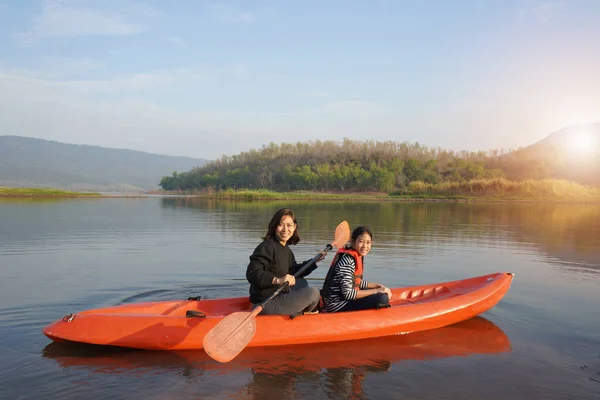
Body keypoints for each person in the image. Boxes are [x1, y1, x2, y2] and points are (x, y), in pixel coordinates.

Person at [245, 208, 324, 315]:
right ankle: (303, 315)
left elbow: (294, 271)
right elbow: (252, 273)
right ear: (274, 226)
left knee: (301, 282)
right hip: (266, 303)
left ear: (294, 227)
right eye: (281, 225)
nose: (285, 229)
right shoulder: (267, 247)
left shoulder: (286, 250)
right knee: (314, 293)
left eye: (289, 225)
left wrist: (315, 260)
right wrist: (277, 280)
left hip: (279, 295)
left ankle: (298, 312)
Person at [321, 226, 392, 313]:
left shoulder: (355, 256)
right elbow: (348, 294)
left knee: (379, 293)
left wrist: (377, 286)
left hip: (344, 300)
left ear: (371, 244)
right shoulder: (348, 261)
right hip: (338, 305)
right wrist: (376, 291)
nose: (365, 246)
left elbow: (355, 282)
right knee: (382, 298)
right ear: (352, 242)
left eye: (368, 242)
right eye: (361, 242)